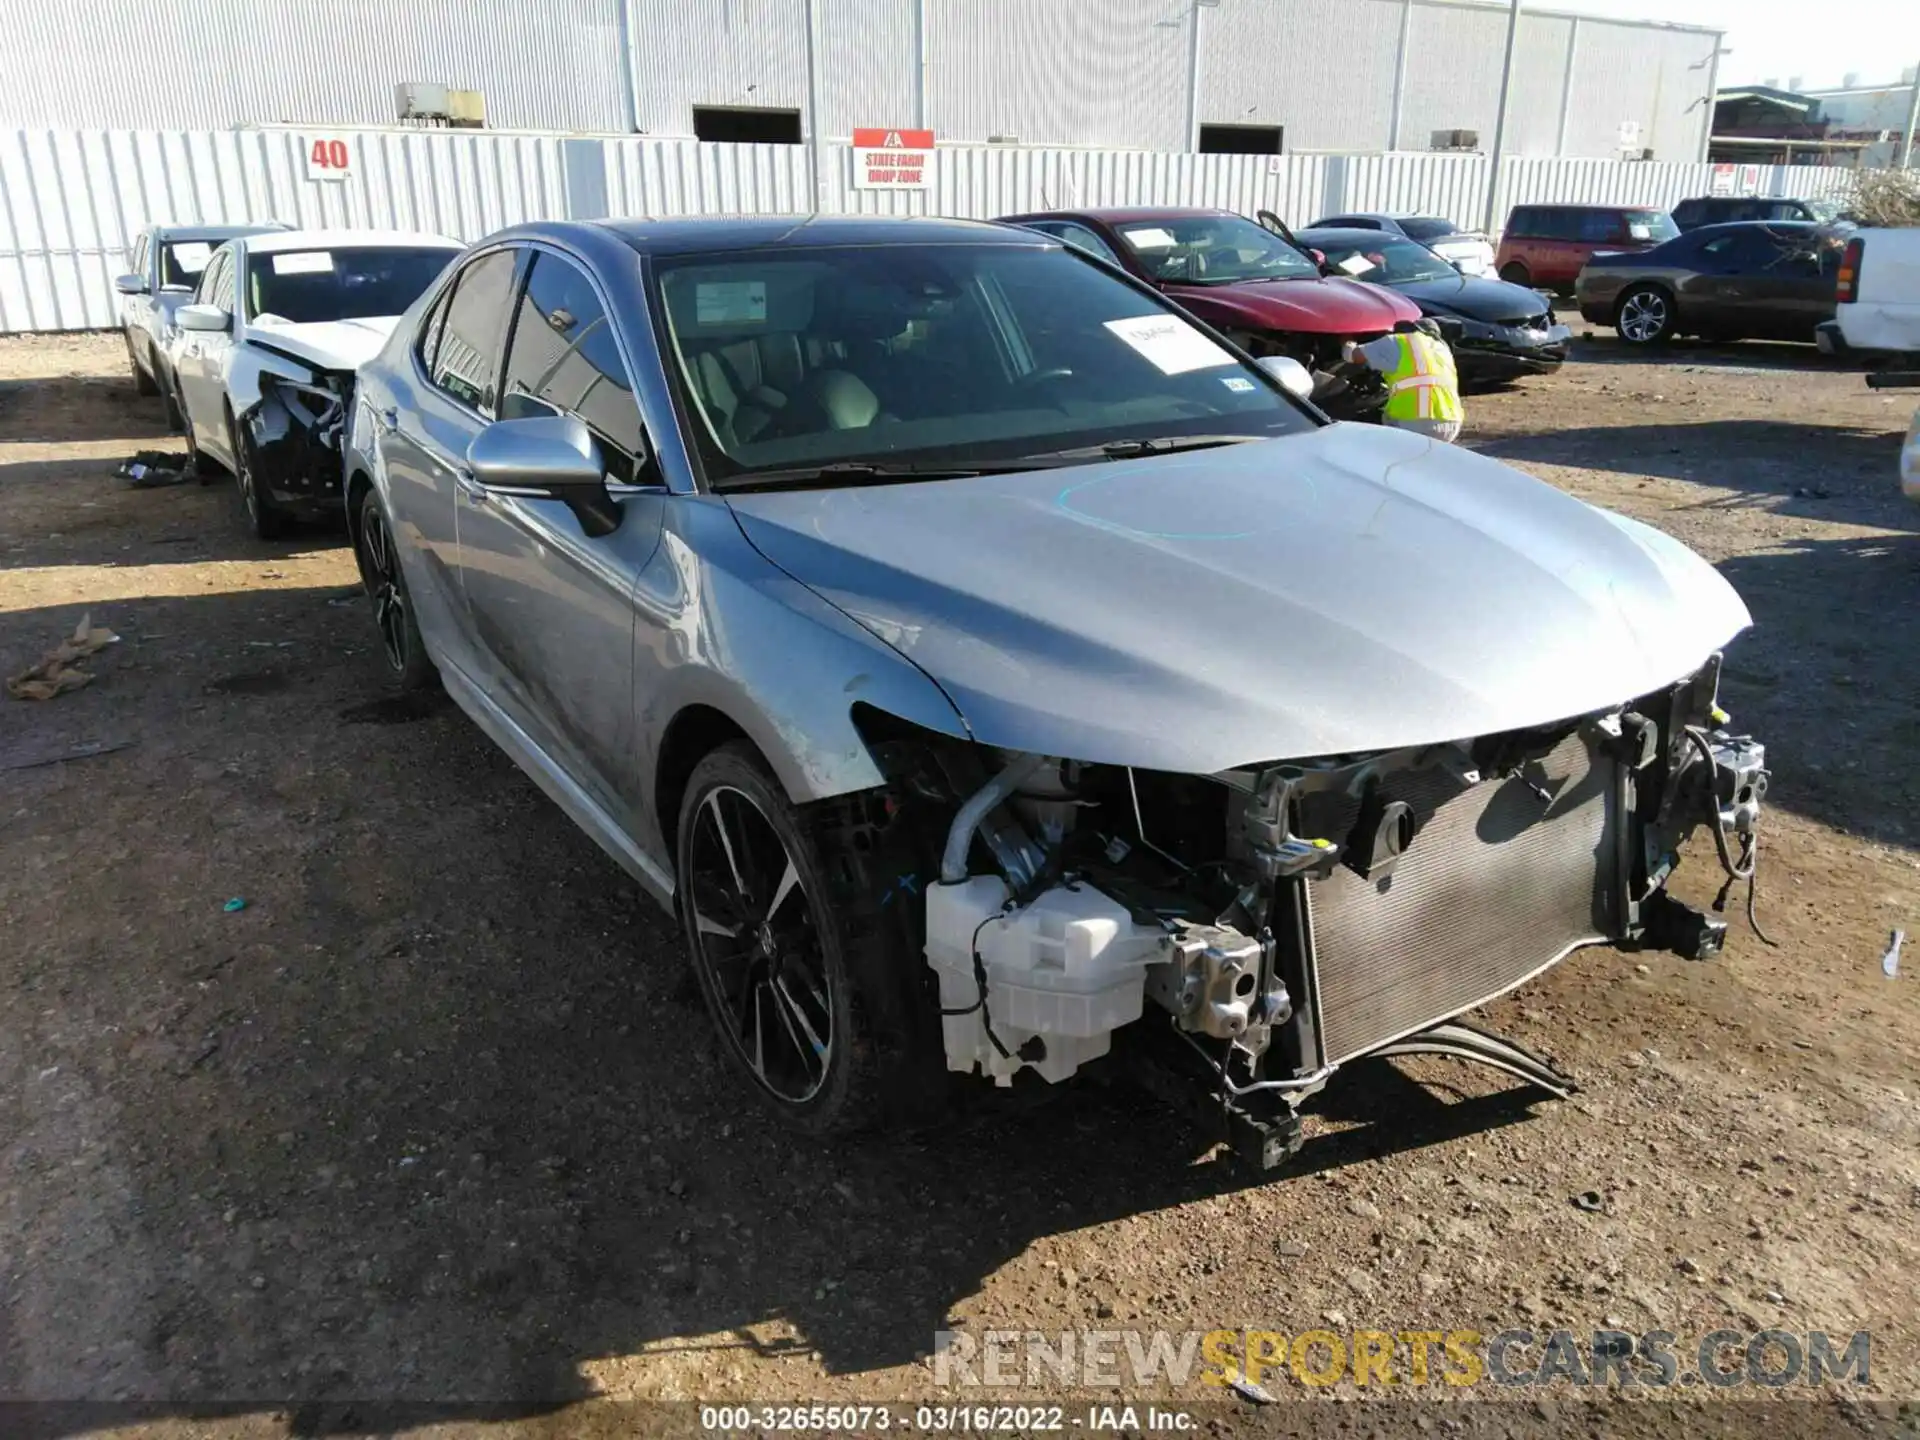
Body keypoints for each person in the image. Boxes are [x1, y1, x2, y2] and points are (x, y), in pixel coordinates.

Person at [1344, 328, 1463, 442]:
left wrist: (1347, 339)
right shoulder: (1441, 349)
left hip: (1416, 423)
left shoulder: (1397, 341)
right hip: (1452, 423)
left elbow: (1351, 355)